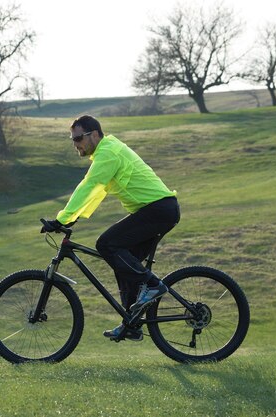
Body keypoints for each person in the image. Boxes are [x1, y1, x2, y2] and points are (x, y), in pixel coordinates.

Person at [41, 115, 180, 342]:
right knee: (123, 262)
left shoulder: (108, 153)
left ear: (94, 134)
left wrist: (62, 219)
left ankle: (153, 285)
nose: (75, 144)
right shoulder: (107, 152)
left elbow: (89, 185)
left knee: (106, 244)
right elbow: (99, 191)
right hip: (158, 211)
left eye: (78, 138)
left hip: (158, 210)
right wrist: (73, 218)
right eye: (72, 139)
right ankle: (132, 323)